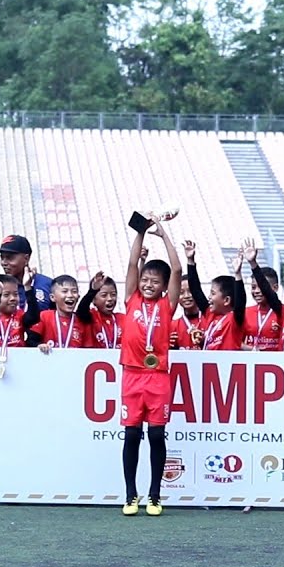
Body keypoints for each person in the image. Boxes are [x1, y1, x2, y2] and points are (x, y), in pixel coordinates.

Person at [118, 216, 182, 517]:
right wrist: (142, 233)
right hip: (131, 375)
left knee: (156, 435)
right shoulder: (130, 299)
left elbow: (178, 269)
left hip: (157, 377)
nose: (147, 284)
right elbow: (132, 265)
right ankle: (131, 495)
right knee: (132, 435)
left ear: (163, 287)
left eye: (154, 282)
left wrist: (163, 234)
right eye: (145, 279)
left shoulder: (166, 307)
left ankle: (155, 496)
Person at [186, 250, 247, 351]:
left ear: (226, 300)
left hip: (227, 365)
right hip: (210, 365)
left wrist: (238, 275)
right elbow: (196, 291)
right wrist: (190, 261)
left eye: (213, 293)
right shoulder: (210, 314)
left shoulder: (234, 319)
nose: (209, 297)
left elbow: (241, 302)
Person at [33, 274, 99, 351]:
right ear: (52, 297)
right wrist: (39, 345)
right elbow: (31, 341)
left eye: (74, 291)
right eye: (65, 291)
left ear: (78, 296)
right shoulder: (44, 316)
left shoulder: (82, 321)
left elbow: (88, 350)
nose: (70, 295)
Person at [0, 234, 53, 311]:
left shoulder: (48, 284)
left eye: (9, 257)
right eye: (2, 257)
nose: (3, 263)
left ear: (26, 258)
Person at [240, 240, 283, 351]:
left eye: (262, 287)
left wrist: (253, 264)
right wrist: (252, 349)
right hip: (251, 364)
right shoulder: (246, 312)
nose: (257, 291)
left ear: (275, 287)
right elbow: (235, 341)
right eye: (253, 287)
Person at [169, 258, 205, 350]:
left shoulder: (209, 320)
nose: (186, 296)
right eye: (181, 292)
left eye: (191, 291)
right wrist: (168, 344)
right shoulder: (173, 325)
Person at [86, 276, 125, 350]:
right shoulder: (90, 316)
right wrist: (91, 292)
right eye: (104, 295)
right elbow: (82, 309)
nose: (110, 299)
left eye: (113, 294)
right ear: (93, 299)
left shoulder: (123, 319)